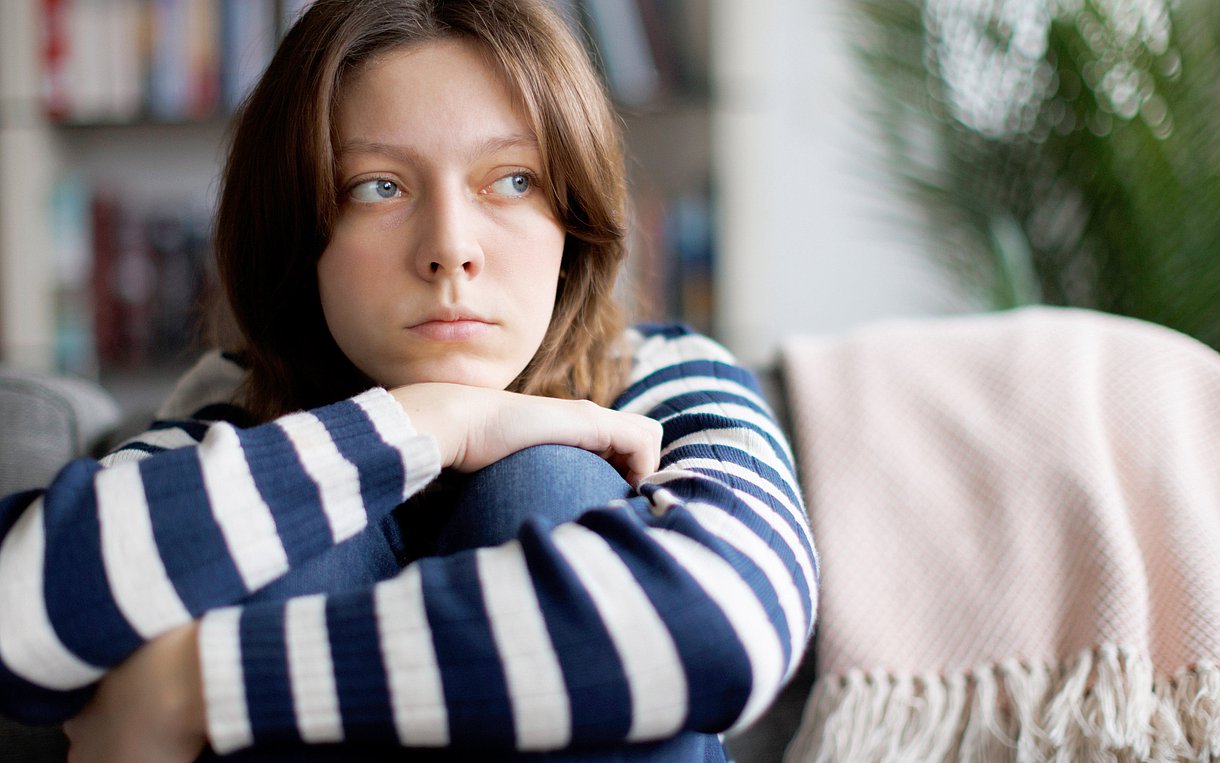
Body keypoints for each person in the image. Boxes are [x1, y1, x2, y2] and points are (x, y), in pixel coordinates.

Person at [0, 1, 817, 760]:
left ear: (573, 217)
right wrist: (421, 426)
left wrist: (201, 685)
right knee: (310, 534)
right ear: (300, 229)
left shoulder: (667, 377)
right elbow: (15, 623)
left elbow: (727, 625)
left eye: (513, 179)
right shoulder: (231, 403)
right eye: (379, 186)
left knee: (553, 477)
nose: (450, 248)